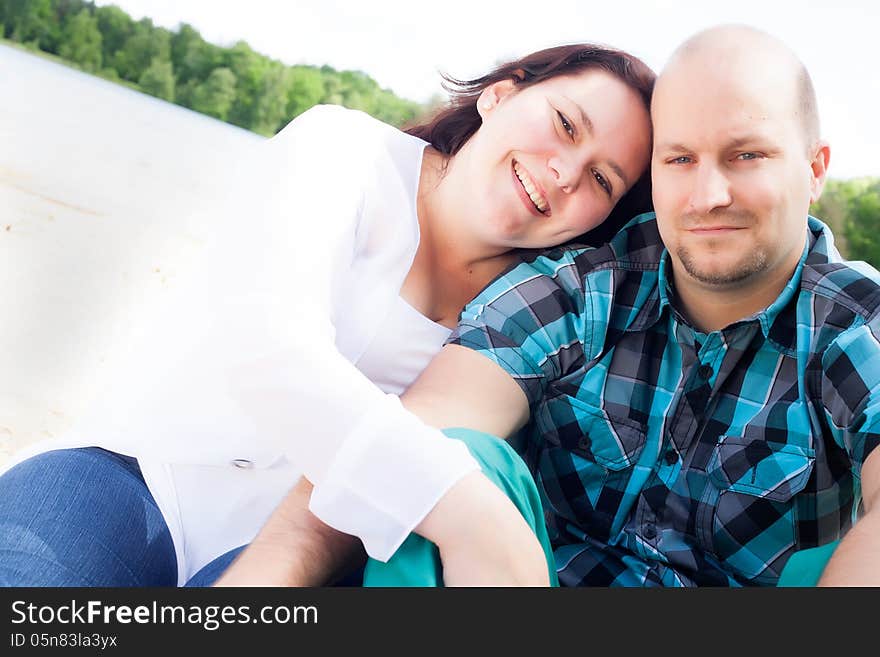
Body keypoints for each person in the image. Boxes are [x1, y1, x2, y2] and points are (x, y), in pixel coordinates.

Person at [218, 24, 880, 587]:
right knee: (456, 457)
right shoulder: (581, 289)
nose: (708, 194)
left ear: (815, 167)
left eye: (747, 155)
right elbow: (409, 439)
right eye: (679, 159)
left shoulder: (854, 324)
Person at [0, 43, 654, 586]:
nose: (566, 171)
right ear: (501, 95)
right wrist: (461, 503)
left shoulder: (534, 317)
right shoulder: (344, 152)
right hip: (130, 476)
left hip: (296, 557)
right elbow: (271, 347)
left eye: (602, 180)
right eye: (567, 125)